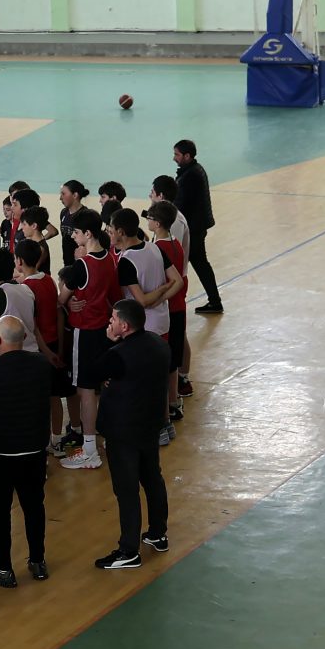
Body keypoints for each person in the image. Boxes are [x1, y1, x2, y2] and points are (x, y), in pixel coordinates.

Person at [0, 316, 53, 587]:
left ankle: (4, 570)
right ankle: (37, 561)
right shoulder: (41, 364)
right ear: (25, 338)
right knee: (34, 507)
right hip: (34, 452)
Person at [90, 300, 170, 570]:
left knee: (126, 489)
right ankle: (158, 533)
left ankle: (128, 550)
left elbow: (93, 372)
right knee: (152, 479)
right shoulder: (158, 344)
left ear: (124, 326)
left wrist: (107, 343)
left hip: (122, 431)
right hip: (150, 425)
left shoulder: (118, 354)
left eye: (113, 319)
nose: (109, 322)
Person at [110, 208, 183, 445]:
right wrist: (162, 297)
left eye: (111, 229)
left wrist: (156, 295)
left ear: (121, 232)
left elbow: (140, 301)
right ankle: (166, 422)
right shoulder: (155, 248)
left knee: (145, 380)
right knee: (159, 375)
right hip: (162, 321)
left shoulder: (127, 261)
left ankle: (156, 428)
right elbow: (177, 281)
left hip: (143, 329)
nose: (109, 232)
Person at [58, 210, 120, 470]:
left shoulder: (81, 266)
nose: (73, 236)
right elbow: (113, 297)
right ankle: (102, 440)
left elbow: (60, 300)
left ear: (88, 234)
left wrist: (70, 302)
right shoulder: (109, 259)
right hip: (103, 332)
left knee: (85, 393)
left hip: (83, 333)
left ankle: (90, 450)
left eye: (76, 232)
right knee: (99, 389)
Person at [145, 201, 188, 425]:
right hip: (179, 307)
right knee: (173, 360)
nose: (148, 221)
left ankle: (167, 405)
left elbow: (170, 281)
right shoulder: (175, 243)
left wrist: (160, 298)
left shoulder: (158, 249)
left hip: (169, 309)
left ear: (158, 223)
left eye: (150, 218)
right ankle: (175, 401)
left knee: (165, 360)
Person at [150, 174, 193, 396]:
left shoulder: (172, 226)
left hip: (171, 287)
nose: (149, 195)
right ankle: (179, 380)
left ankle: (181, 380)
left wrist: (158, 296)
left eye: (152, 192)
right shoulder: (172, 227)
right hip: (175, 285)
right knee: (177, 334)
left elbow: (169, 264)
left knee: (176, 336)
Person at [173, 139, 222, 314]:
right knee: (200, 264)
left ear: (187, 156)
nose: (174, 158)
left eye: (177, 154)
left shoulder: (190, 175)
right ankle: (214, 301)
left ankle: (173, 304)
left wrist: (162, 211)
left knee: (176, 267)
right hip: (197, 226)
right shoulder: (193, 170)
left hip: (194, 228)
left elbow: (181, 203)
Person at [59, 180, 91, 267]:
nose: (60, 198)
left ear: (75, 195)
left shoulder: (86, 215)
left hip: (81, 263)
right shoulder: (63, 213)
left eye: (63, 194)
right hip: (67, 263)